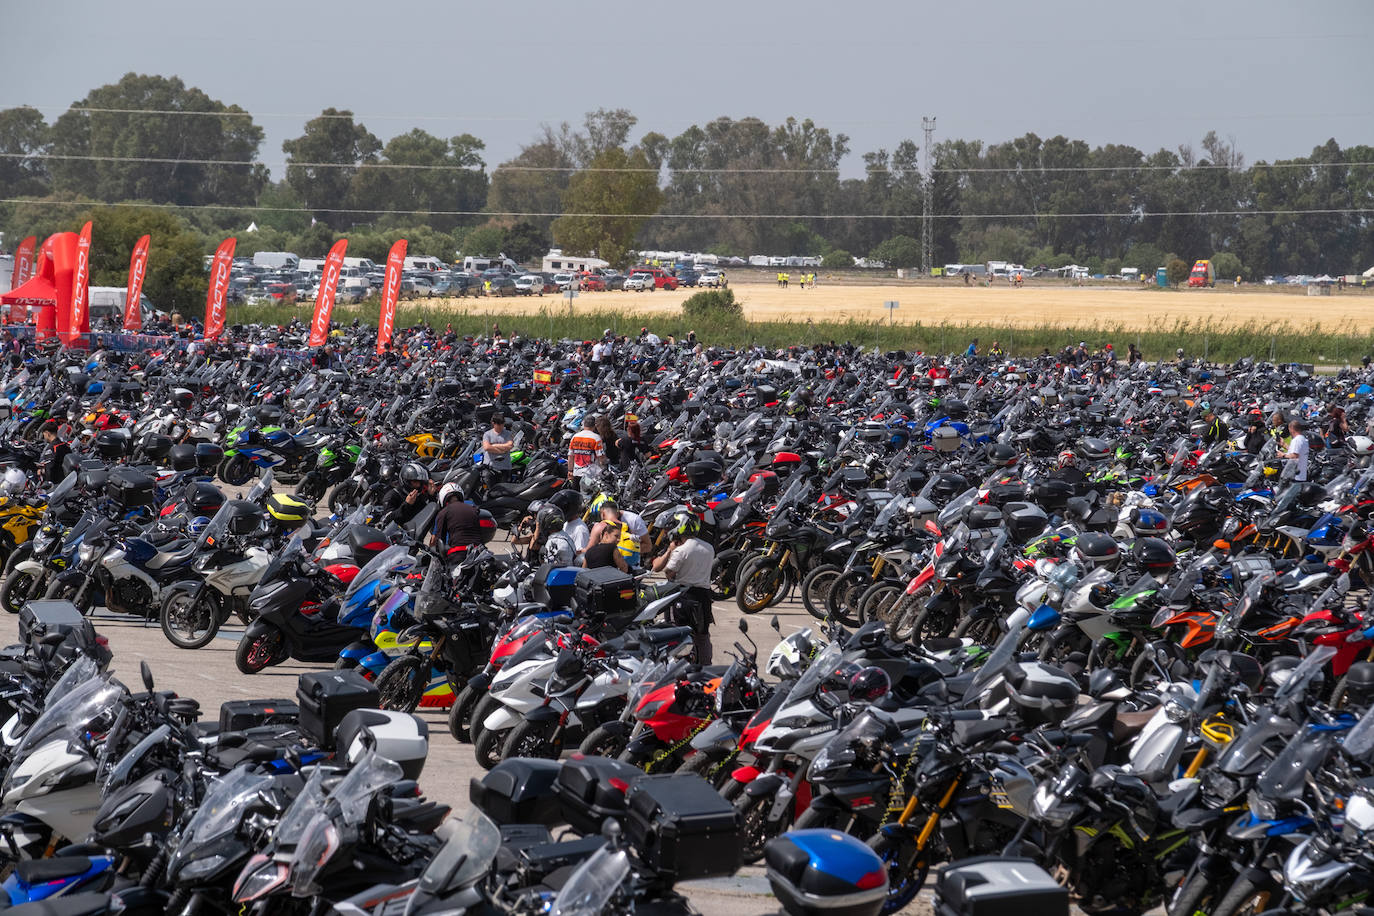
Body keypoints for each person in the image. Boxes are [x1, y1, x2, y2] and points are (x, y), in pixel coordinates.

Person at [652, 515, 716, 664]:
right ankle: (705, 664)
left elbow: (669, 572)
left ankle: (676, 665)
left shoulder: (681, 550)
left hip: (683, 596)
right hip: (704, 596)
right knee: (702, 634)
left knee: (676, 632)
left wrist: (671, 551)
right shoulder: (709, 547)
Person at [430, 482, 483, 551]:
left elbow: (435, 540)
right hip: (477, 551)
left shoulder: (443, 513)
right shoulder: (472, 506)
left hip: (455, 552)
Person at [382, 462, 433, 526]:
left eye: (420, 482)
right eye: (414, 482)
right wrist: (407, 504)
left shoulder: (417, 496)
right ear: (406, 481)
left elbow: (429, 513)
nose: (418, 485)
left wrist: (432, 496)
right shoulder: (391, 496)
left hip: (416, 532)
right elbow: (388, 520)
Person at [568, 415, 605, 481]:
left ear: (584, 424)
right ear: (594, 426)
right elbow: (601, 457)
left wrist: (570, 470)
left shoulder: (575, 437)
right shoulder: (596, 438)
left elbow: (571, 456)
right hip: (590, 475)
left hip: (577, 473)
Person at [481, 415, 514, 482]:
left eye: (502, 424)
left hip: (505, 467)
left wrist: (494, 445)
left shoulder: (508, 433)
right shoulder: (487, 434)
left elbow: (510, 445)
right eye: (499, 424)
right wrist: (502, 450)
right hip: (491, 467)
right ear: (493, 423)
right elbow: (486, 447)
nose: (501, 427)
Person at [39, 420, 71, 486]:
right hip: (67, 481)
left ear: (47, 433)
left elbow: (49, 470)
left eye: (44, 434)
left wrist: (42, 471)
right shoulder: (65, 445)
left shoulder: (51, 449)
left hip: (56, 484)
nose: (44, 437)